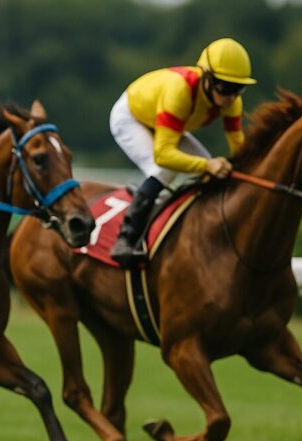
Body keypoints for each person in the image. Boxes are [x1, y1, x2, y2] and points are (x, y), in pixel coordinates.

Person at [109, 38, 256, 268]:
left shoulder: (232, 103)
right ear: (206, 78)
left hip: (166, 124)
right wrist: (207, 165)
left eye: (238, 89)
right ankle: (125, 240)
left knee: (211, 170)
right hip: (131, 118)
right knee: (164, 169)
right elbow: (163, 154)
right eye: (224, 87)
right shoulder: (180, 92)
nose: (231, 97)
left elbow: (238, 145)